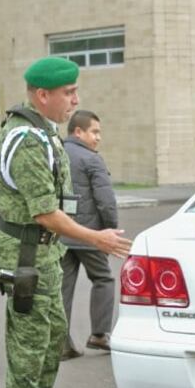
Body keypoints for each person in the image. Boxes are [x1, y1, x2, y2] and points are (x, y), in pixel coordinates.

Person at [0, 57, 131, 388]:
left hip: (43, 251)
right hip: (23, 253)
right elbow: (44, 212)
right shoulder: (27, 140)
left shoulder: (43, 133)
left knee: (52, 336)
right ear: (42, 94)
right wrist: (96, 238)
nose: (76, 99)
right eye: (69, 93)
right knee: (29, 340)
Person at [59, 109, 118, 360]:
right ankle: (100, 334)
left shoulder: (57, 153)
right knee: (104, 278)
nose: (98, 138)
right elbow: (105, 200)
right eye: (94, 132)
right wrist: (110, 230)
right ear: (78, 131)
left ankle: (60, 343)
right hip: (90, 234)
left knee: (63, 286)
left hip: (61, 231)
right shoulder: (92, 159)